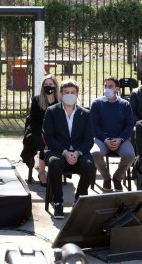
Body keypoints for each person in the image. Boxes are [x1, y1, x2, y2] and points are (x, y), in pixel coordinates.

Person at [41, 80, 96, 219]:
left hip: (79, 152)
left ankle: (79, 200)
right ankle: (58, 202)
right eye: (66, 92)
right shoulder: (52, 111)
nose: (69, 95)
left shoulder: (85, 113)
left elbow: (89, 139)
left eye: (72, 92)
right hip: (58, 151)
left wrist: (77, 153)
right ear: (61, 94)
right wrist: (65, 152)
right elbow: (48, 136)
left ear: (77, 94)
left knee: (90, 166)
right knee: (54, 163)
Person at [89, 76, 136, 191]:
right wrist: (105, 139)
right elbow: (94, 125)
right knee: (94, 154)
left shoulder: (125, 104)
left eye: (110, 86)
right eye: (105, 86)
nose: (107, 89)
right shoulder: (97, 103)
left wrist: (120, 139)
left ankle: (117, 178)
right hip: (102, 139)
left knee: (130, 156)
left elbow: (130, 124)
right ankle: (106, 178)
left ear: (117, 89)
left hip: (121, 139)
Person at [20, 74, 59, 185]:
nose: (48, 86)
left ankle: (56, 171)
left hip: (55, 132)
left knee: (59, 142)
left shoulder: (59, 101)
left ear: (55, 85)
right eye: (45, 84)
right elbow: (32, 121)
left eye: (50, 84)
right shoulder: (37, 100)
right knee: (44, 144)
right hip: (38, 132)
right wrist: (43, 133)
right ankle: (42, 172)